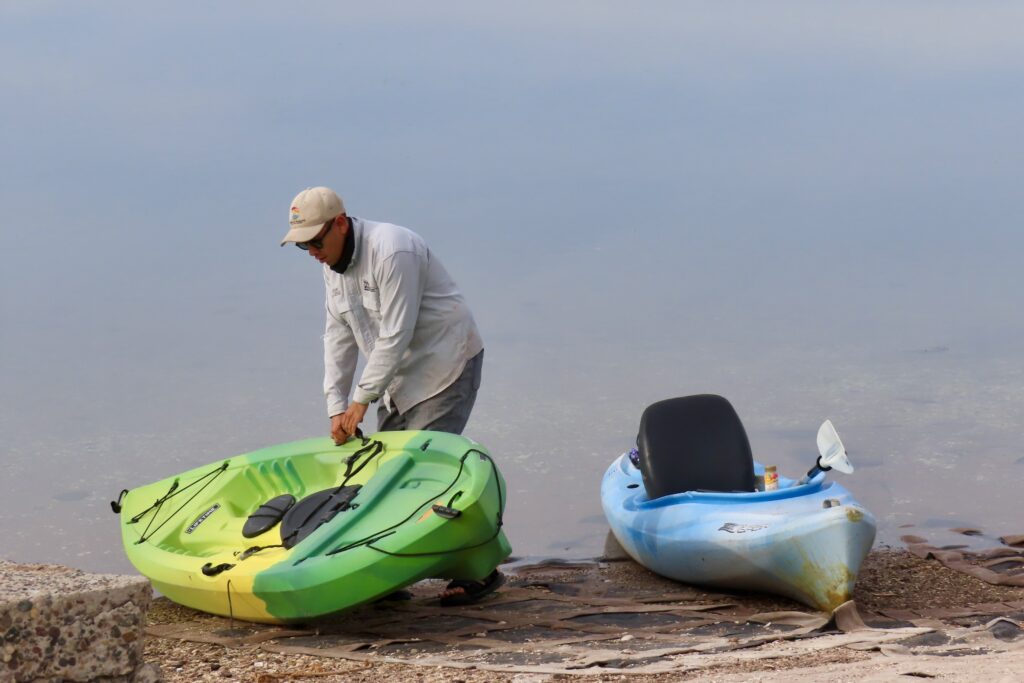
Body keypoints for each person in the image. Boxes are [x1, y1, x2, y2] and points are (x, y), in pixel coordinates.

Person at [280, 186, 501, 605]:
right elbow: (337, 335)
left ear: (340, 223)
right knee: (384, 475)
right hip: (395, 379)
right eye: (302, 245)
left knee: (427, 475)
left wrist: (362, 400)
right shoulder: (331, 264)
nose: (311, 251)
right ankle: (389, 573)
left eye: (315, 240)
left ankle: (481, 572)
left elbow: (396, 334)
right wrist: (336, 406)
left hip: (443, 364)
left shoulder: (394, 250)